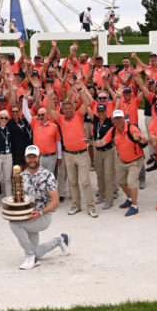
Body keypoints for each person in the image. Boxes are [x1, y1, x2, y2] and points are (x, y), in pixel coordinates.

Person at [8, 145, 70, 270]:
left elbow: (56, 201)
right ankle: (60, 240)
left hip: (43, 216)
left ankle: (31, 257)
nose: (32, 160)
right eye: (29, 157)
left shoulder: (48, 175)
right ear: (25, 158)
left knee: (14, 224)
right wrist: (10, 211)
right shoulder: (22, 176)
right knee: (37, 251)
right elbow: (20, 199)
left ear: (39, 158)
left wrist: (40, 213)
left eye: (34, 157)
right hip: (28, 216)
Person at [48, 79, 98, 218]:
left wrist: (80, 89)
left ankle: (91, 206)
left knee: (85, 181)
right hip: (68, 155)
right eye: (66, 108)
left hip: (82, 154)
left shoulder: (78, 115)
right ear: (63, 110)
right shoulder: (61, 119)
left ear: (73, 109)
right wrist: (49, 95)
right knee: (73, 182)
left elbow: (87, 103)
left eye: (70, 108)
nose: (68, 110)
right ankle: (76, 204)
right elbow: (50, 110)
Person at [93, 110, 147, 216]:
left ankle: (135, 206)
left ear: (123, 118)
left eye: (120, 118)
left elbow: (144, 140)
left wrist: (140, 138)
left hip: (136, 161)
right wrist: (93, 143)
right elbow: (103, 142)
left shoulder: (132, 128)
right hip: (122, 160)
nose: (118, 120)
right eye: (116, 118)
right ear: (113, 120)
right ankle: (130, 199)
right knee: (121, 181)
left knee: (131, 182)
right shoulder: (113, 131)